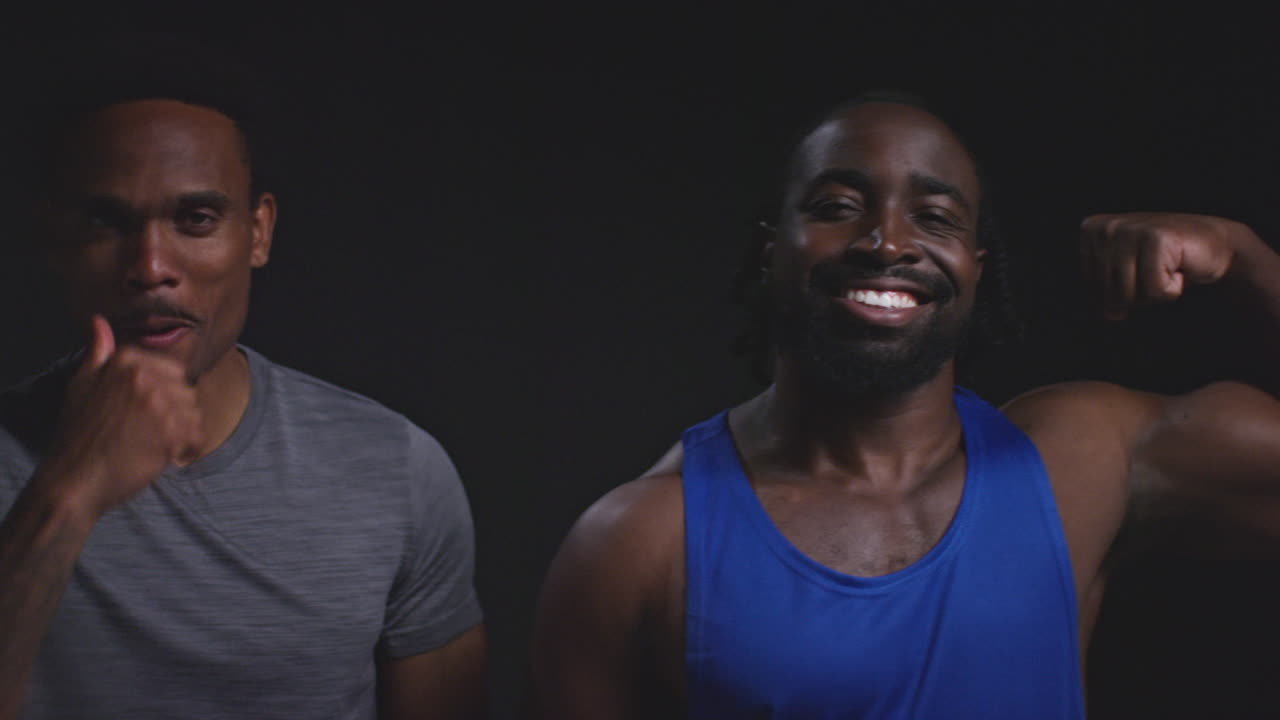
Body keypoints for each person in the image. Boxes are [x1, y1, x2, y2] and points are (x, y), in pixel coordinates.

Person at [526, 95, 1280, 718]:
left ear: (976, 271)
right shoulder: (639, 543)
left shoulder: (1079, 462)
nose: (888, 242)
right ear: (771, 254)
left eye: (936, 217)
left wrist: (1246, 260)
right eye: (838, 206)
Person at [0, 45, 487, 720]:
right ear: (54, 239)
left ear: (257, 234)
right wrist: (67, 492)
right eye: (107, 222)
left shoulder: (393, 468)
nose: (150, 267)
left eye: (195, 219)